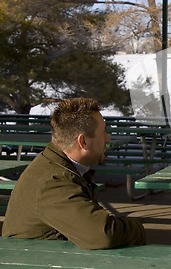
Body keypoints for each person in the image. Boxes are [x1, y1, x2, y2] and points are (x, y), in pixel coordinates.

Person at [2, 98, 146, 249]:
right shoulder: (54, 182)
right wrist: (138, 228)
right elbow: (101, 234)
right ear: (83, 142)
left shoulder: (60, 165)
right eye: (103, 132)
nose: (107, 138)